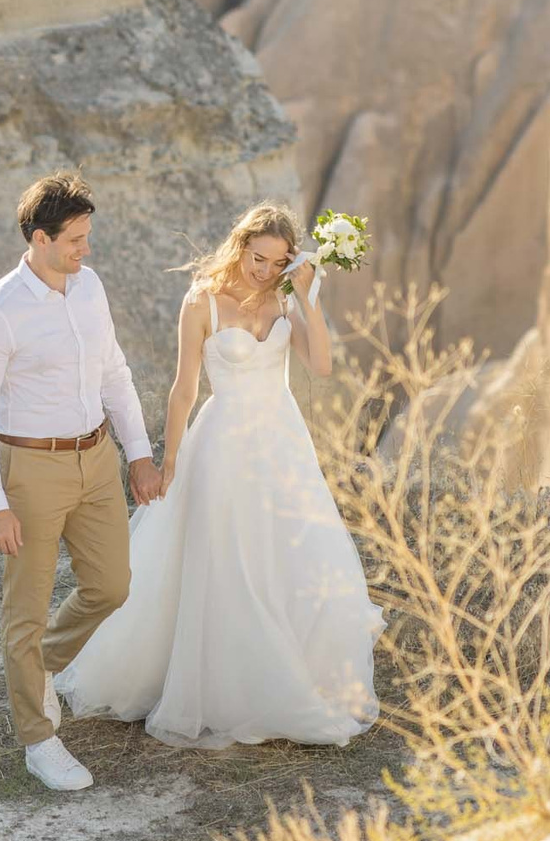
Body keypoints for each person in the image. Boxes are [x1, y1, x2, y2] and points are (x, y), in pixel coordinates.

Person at [54, 202, 381, 748]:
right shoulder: (201, 300)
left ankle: (287, 670)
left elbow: (320, 366)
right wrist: (170, 459)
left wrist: (305, 295)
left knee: (287, 551)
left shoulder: (282, 295)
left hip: (281, 442)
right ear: (240, 244)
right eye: (258, 258)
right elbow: (185, 389)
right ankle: (218, 682)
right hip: (223, 442)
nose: (264, 270)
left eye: (278, 262)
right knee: (224, 557)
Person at [0, 172, 167, 793]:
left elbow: (114, 371)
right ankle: (38, 740)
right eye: (75, 239)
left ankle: (40, 670)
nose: (86, 249)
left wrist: (138, 453)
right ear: (38, 238)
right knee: (24, 611)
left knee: (111, 585)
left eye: (88, 236)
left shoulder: (90, 287)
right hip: (32, 470)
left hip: (97, 458)